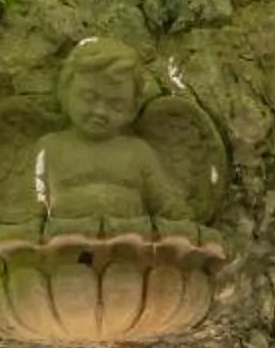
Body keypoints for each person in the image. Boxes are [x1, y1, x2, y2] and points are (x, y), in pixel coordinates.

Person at [28, 36, 187, 223]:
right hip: (65, 239)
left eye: (116, 104)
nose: (100, 112)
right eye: (88, 98)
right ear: (65, 91)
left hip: (130, 240)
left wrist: (180, 219)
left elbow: (166, 203)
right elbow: (33, 208)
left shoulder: (138, 152)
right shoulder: (51, 149)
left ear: (133, 109)